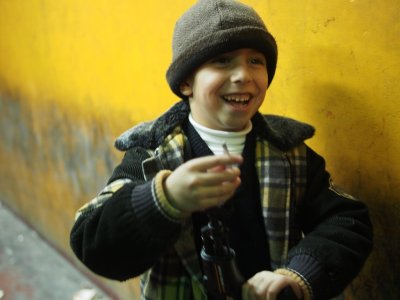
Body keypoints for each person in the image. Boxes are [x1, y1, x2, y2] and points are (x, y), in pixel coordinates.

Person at [69, 0, 373, 299]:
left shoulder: (291, 152)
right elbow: (91, 241)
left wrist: (300, 275)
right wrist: (165, 198)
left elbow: (347, 221)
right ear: (186, 82)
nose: (243, 75)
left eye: (256, 61)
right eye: (223, 60)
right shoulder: (150, 155)